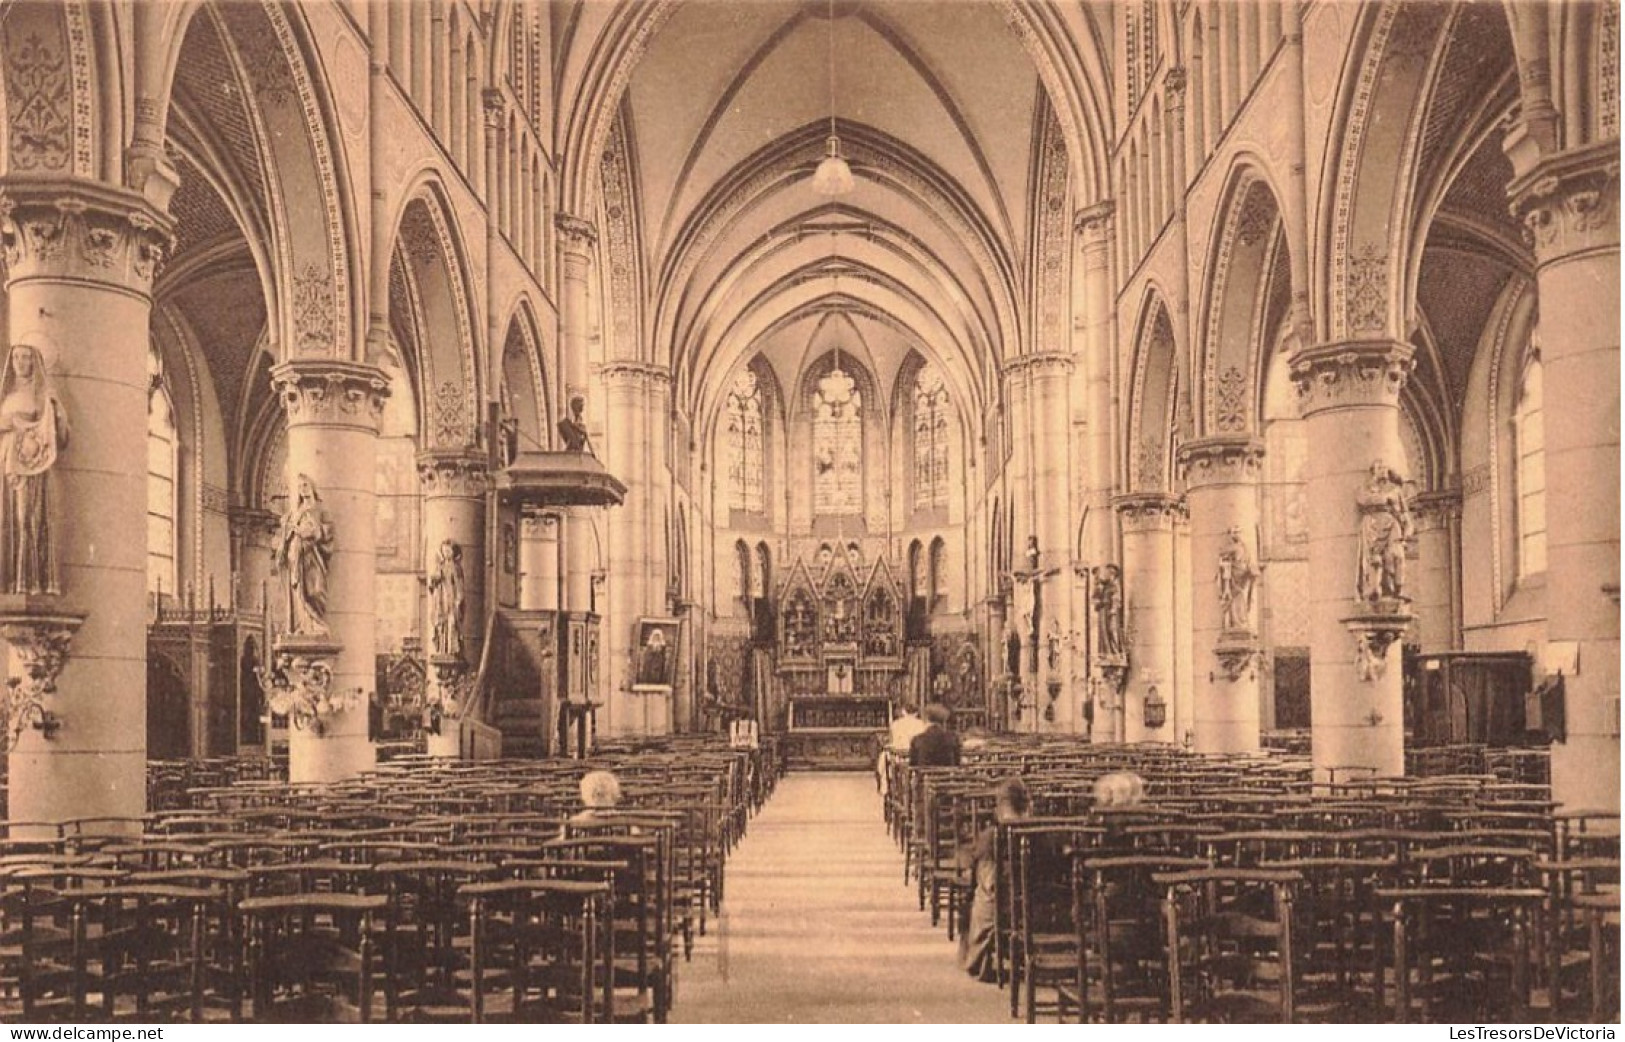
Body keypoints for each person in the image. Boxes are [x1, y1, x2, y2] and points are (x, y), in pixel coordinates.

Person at [0, 344, 67, 596]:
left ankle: (28, 581)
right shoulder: (5, 395)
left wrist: (57, 410)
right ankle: (6, 581)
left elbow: (55, 433)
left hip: (30, 466)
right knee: (4, 520)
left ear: (34, 361)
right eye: (16, 357)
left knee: (25, 518)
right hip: (5, 460)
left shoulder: (42, 395)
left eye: (25, 357)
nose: (20, 361)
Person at [960, 778, 1030, 980]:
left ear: (1000, 807)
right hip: (1033, 908)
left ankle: (977, 952)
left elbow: (972, 867)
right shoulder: (1041, 834)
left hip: (1000, 906)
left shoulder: (991, 837)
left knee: (983, 881)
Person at [274, 474, 336, 636]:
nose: (303, 489)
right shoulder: (297, 512)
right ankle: (302, 625)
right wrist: (289, 529)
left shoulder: (320, 509)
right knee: (298, 591)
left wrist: (313, 531)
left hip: (312, 556)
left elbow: (328, 531)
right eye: (300, 486)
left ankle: (317, 623)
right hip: (295, 556)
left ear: (312, 487)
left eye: (306, 485)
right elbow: (287, 533)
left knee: (315, 591)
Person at [877, 702, 929, 795]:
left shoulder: (896, 724)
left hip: (899, 755)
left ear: (903, 712)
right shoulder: (922, 724)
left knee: (884, 758)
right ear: (916, 713)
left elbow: (893, 740)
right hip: (914, 756)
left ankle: (888, 786)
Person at [427, 538, 466, 659]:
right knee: (440, 624)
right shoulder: (440, 567)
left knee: (452, 623)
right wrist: (433, 581)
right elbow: (432, 585)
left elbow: (459, 585)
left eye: (449, 551)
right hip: (440, 600)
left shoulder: (455, 567)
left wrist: (459, 599)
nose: (446, 553)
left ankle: (452, 649)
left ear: (454, 552)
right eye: (444, 551)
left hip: (451, 598)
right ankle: (442, 649)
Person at [909, 702, 961, 767]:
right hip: (947, 776)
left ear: (927, 719)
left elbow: (913, 765)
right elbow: (957, 763)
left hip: (924, 775)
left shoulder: (917, 740)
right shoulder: (953, 739)